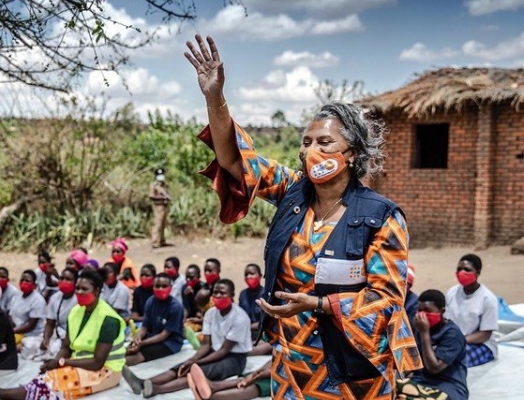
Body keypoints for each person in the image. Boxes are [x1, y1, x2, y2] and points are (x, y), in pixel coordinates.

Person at [184, 34, 421, 398]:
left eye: (324, 143)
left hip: (351, 370)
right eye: (307, 142)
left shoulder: (381, 216)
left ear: (353, 154)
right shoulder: (292, 192)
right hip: (292, 363)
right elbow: (235, 160)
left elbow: (387, 302)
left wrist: (320, 304)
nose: (311, 151)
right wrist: (214, 97)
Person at [0, 269, 126, 399]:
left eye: (84, 289)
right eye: (77, 288)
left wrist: (62, 363)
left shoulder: (109, 320)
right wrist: (55, 362)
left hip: (106, 371)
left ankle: (2, 394)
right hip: (82, 363)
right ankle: (4, 394)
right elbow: (66, 347)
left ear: (97, 291)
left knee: (56, 381)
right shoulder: (76, 312)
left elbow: (97, 363)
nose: (79, 292)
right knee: (47, 376)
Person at [123, 279, 252, 398]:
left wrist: (197, 363)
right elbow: (206, 345)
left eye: (222, 293)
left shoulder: (239, 317)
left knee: (197, 372)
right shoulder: (211, 313)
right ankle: (143, 382)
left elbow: (224, 351)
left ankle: (156, 389)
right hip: (214, 352)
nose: (217, 296)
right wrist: (192, 360)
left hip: (234, 358)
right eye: (215, 293)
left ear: (232, 295)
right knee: (181, 367)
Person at [396, 289, 468, 400]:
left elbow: (434, 368)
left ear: (442, 311)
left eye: (427, 310)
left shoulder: (452, 334)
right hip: (420, 382)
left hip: (447, 387)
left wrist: (424, 333)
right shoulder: (417, 327)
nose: (421, 315)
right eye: (419, 310)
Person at [444, 253, 498, 367]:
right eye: (459, 269)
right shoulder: (451, 292)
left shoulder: (488, 299)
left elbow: (485, 334)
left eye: (467, 270)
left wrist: (460, 340)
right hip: (454, 341)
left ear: (477, 272)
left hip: (479, 344)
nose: (461, 272)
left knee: (454, 362)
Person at [126, 273, 185, 366]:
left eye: (164, 286)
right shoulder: (150, 301)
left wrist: (142, 344)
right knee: (129, 349)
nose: (160, 289)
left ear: (170, 287)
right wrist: (138, 338)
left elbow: (164, 335)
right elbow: (145, 327)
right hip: (152, 336)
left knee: (139, 355)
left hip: (169, 343)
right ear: (153, 287)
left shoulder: (175, 307)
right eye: (157, 286)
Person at [39, 267, 79, 358]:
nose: (64, 281)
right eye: (62, 278)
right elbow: (50, 323)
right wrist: (46, 339)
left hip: (74, 339)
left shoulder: (79, 300)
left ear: (75, 282)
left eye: (68, 279)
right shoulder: (54, 298)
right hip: (59, 335)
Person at [187, 360, 272, 400]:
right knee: (245, 379)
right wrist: (259, 371)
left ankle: (210, 398)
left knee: (259, 386)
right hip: (278, 365)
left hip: (282, 377)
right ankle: (213, 387)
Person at [9, 269, 47, 343]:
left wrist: (11, 331)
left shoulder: (38, 300)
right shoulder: (16, 296)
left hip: (31, 336)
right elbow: (11, 316)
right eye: (22, 280)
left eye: (27, 281)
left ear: (34, 285)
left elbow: (31, 325)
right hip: (16, 332)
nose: (24, 282)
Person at [238, 263, 264, 338]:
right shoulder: (243, 294)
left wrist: (248, 327)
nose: (249, 276)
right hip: (244, 333)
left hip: (261, 334)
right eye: (246, 274)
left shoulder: (265, 294)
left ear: (260, 276)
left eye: (252, 274)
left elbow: (266, 322)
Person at [149, 167, 171, 248]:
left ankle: (161, 240)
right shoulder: (154, 185)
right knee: (157, 224)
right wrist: (163, 198)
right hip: (158, 206)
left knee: (163, 224)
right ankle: (155, 242)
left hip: (165, 206)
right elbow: (151, 196)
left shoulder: (165, 185)